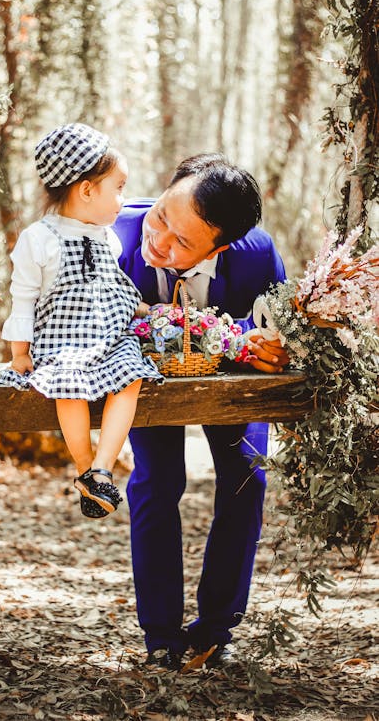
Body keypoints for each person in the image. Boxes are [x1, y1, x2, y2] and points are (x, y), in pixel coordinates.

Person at [112, 153, 289, 670]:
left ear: (222, 245)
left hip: (234, 386)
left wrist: (276, 346)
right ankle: (160, 635)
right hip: (145, 384)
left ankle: (216, 630)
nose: (159, 241)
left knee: (247, 480)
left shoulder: (257, 254)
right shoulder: (113, 237)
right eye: (162, 215)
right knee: (158, 481)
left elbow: (282, 333)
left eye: (183, 241)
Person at [0, 122, 162, 518]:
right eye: (118, 188)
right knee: (67, 387)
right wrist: (21, 353)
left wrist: (151, 314)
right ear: (87, 190)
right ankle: (85, 468)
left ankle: (103, 467)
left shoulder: (109, 239)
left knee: (131, 376)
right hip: (63, 343)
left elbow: (116, 290)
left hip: (108, 339)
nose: (123, 201)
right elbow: (23, 299)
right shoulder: (40, 238)